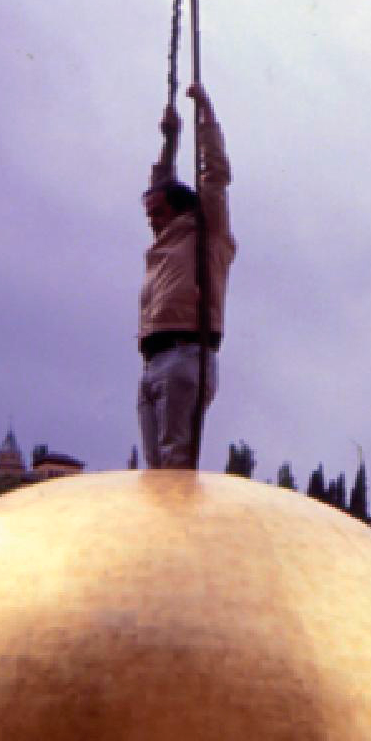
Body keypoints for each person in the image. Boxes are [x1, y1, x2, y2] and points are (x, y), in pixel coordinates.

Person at [137, 84, 236, 469]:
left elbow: (215, 174)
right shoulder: (164, 242)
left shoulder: (206, 231)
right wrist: (170, 141)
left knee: (175, 464)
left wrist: (205, 112)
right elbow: (160, 184)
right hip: (153, 360)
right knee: (157, 471)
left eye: (157, 213)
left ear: (179, 210)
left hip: (186, 353)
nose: (152, 221)